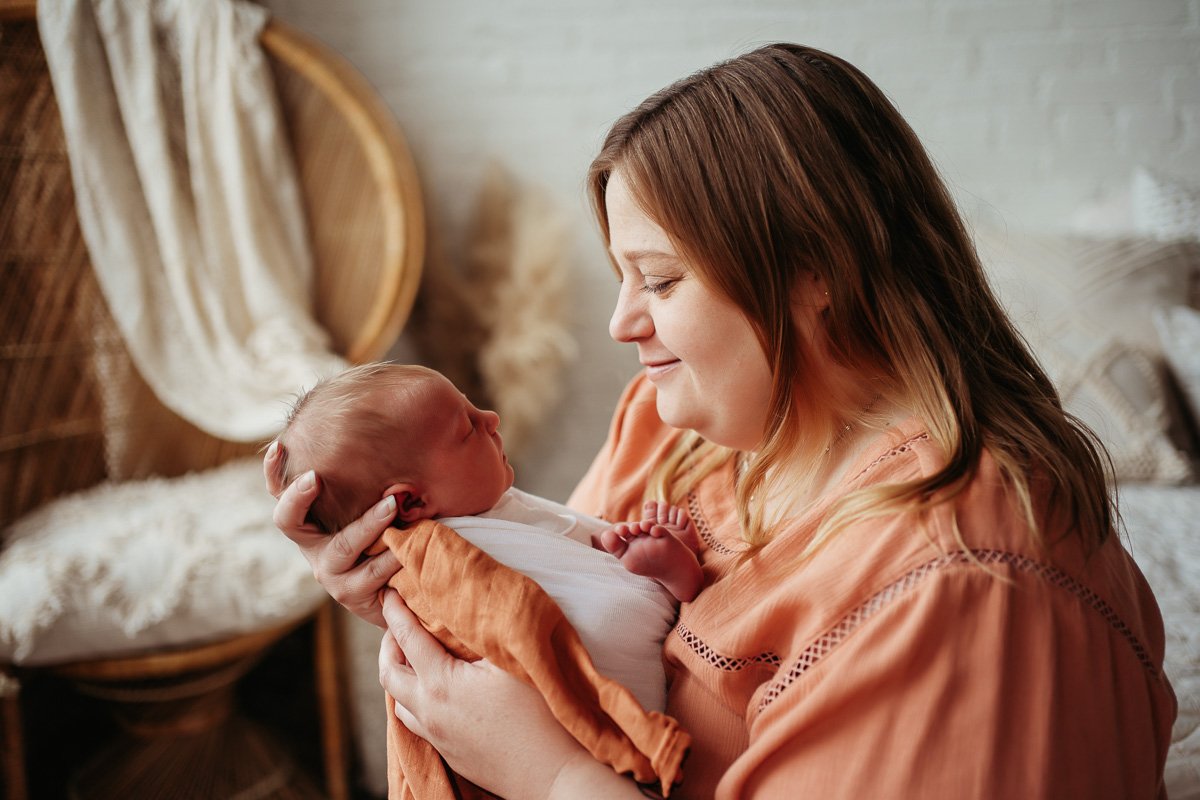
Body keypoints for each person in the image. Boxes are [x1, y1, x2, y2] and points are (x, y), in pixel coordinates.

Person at [266, 42, 1177, 799]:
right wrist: (404, 570)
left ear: (815, 269)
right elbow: (538, 610)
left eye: (660, 281)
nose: (622, 323)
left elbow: (534, 730)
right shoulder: (675, 425)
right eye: (625, 278)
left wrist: (545, 775)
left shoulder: (966, 586)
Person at [276, 361, 704, 709]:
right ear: (409, 504)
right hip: (589, 708)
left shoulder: (492, 512)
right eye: (467, 428)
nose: (492, 418)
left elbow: (578, 565)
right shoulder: (449, 555)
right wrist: (659, 572)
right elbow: (604, 616)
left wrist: (630, 553)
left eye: (473, 408)